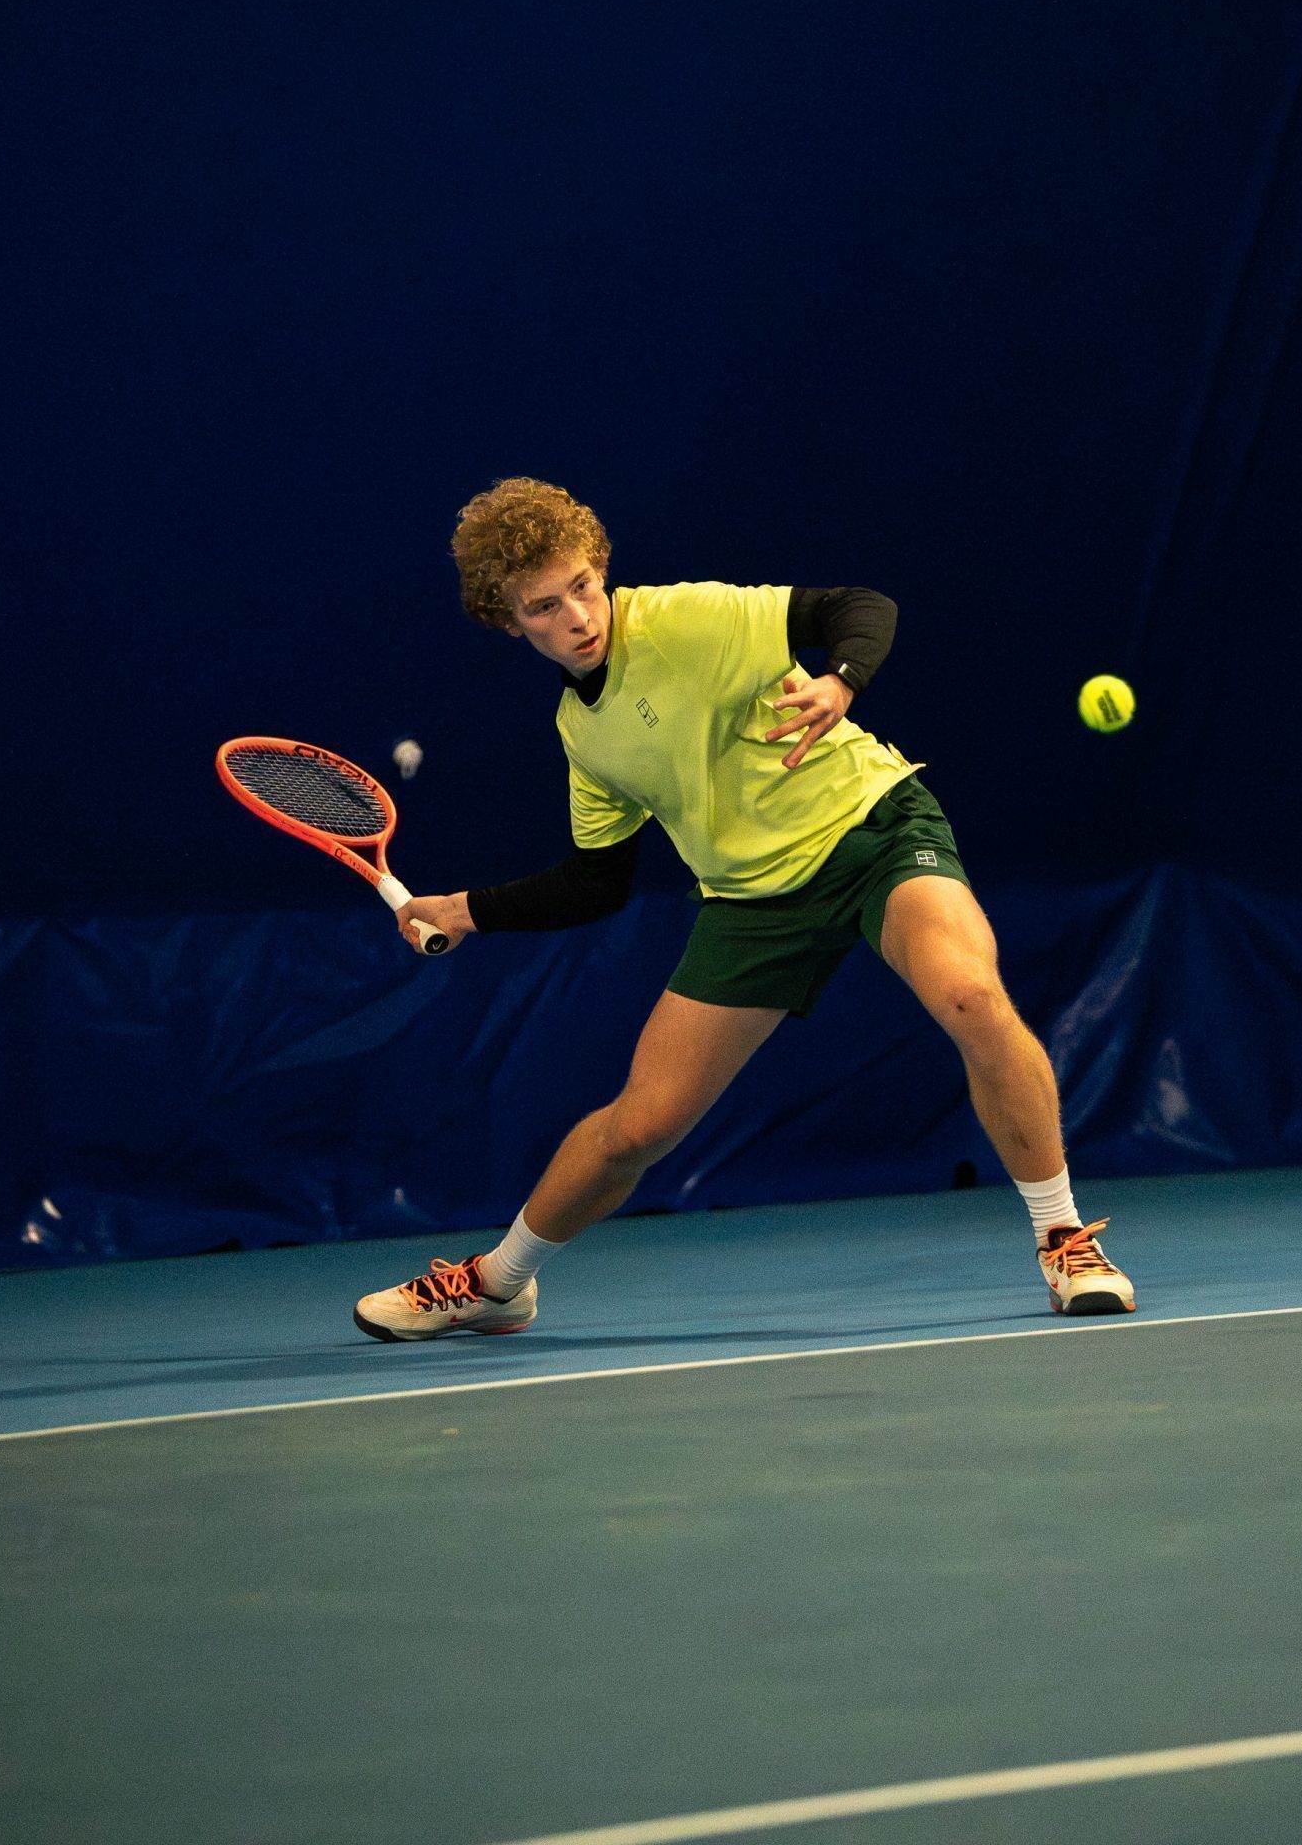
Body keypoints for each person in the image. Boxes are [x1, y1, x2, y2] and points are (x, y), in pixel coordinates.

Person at [353, 478, 1134, 1341]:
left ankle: (1065, 1240)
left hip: (871, 831)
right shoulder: (584, 733)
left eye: (583, 586)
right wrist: (466, 910)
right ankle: (499, 1284)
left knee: (969, 994)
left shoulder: (685, 617)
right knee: (638, 1128)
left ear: (600, 569)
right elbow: (596, 882)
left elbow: (858, 608)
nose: (578, 616)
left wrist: (840, 682)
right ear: (509, 621)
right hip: (752, 898)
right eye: (546, 606)